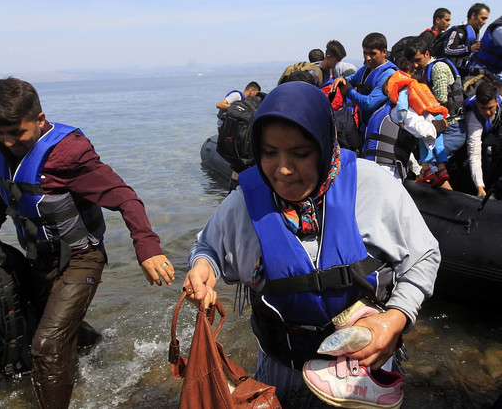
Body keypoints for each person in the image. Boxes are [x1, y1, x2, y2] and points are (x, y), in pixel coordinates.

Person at [182, 81, 439, 407]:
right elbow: (206, 247)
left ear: (324, 144)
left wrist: (398, 315)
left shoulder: (370, 186)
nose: (284, 169)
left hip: (364, 372)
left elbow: (423, 254)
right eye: (269, 153)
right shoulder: (245, 204)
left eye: (301, 154)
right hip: (282, 369)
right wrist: (203, 267)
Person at [0, 77, 175, 408]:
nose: (9, 142)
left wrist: (148, 248)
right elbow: (7, 187)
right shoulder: (3, 147)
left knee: (45, 347)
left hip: (82, 258)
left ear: (40, 120)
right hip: (40, 259)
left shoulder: (68, 155)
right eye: (1, 133)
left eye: (18, 133)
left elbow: (125, 197)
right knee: (47, 329)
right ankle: (97, 347)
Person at [405, 37, 467, 158]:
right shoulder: (424, 71)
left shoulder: (438, 68)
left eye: (418, 60)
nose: (415, 65)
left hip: (452, 125)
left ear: (427, 54)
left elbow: (441, 100)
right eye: (412, 62)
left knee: (432, 161)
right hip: (439, 124)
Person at [332, 33, 397, 135]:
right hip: (365, 127)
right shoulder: (365, 69)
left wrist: (349, 91)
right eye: (365, 53)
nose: (367, 58)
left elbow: (369, 104)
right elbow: (351, 79)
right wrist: (341, 79)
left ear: (384, 52)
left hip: (380, 129)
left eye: (372, 53)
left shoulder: (388, 74)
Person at [464, 80, 502, 197]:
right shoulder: (473, 118)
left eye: (491, 107)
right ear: (476, 104)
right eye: (483, 108)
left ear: (497, 101)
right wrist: (479, 186)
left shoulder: (500, 101)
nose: (487, 112)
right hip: (471, 144)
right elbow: (474, 153)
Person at [440, 3, 490, 73]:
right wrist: (469, 49)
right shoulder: (458, 31)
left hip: (466, 71)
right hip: (451, 72)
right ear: (473, 16)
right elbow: (448, 49)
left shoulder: (476, 33)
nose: (484, 22)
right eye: (483, 18)